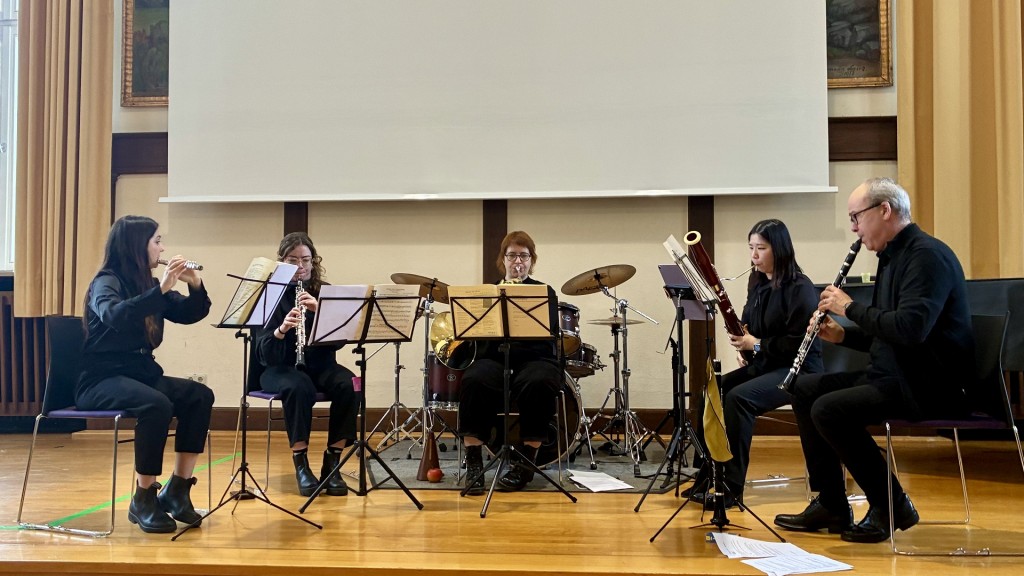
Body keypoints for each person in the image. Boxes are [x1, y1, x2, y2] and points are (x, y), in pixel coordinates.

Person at [773, 177, 974, 543]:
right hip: (894, 374)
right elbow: (889, 332)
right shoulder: (892, 256)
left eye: (856, 217)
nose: (853, 228)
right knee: (803, 390)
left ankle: (891, 505)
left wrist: (849, 307)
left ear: (885, 210)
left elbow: (910, 330)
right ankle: (832, 501)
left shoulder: (926, 257)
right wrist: (844, 334)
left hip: (928, 383)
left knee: (829, 410)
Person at [76, 216, 214, 534]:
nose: (162, 248)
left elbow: (188, 313)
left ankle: (177, 490)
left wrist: (193, 283)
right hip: (100, 379)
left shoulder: (149, 285)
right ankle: (143, 497)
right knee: (157, 404)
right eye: (157, 241)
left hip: (140, 374)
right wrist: (163, 287)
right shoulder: (105, 282)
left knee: (199, 395)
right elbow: (114, 315)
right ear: (137, 246)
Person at [686, 219, 822, 509]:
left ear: (780, 250)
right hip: (768, 364)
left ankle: (731, 488)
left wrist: (756, 344)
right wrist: (744, 341)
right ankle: (708, 475)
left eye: (761, 248)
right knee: (711, 391)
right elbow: (752, 326)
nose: (754, 255)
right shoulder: (757, 282)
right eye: (751, 248)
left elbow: (797, 344)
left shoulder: (800, 288)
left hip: (798, 369)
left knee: (738, 399)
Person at [254, 232, 358, 497]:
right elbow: (264, 354)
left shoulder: (324, 291)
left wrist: (319, 311)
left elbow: (338, 342)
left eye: (306, 260)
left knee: (350, 384)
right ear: (282, 262)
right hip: (279, 369)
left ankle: (332, 462)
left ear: (314, 261)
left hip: (320, 364)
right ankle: (301, 464)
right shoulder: (270, 294)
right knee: (298, 387)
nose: (300, 267)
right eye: (293, 260)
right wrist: (281, 329)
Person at [458, 231, 562, 494]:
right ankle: (473, 462)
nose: (518, 261)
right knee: (474, 379)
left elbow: (549, 332)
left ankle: (526, 462)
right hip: (495, 357)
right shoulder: (487, 293)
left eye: (524, 256)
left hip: (533, 357)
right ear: (502, 260)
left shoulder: (544, 292)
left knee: (540, 380)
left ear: (532, 261)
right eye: (512, 255)